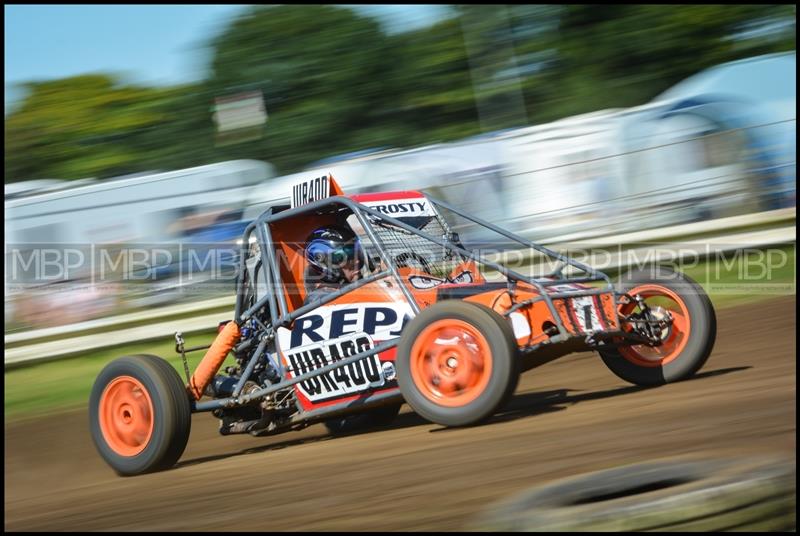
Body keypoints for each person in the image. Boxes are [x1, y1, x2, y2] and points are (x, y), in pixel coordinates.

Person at [303, 224, 364, 304]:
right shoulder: (318, 299)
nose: (357, 261)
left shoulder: (348, 287)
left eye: (356, 251)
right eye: (347, 256)